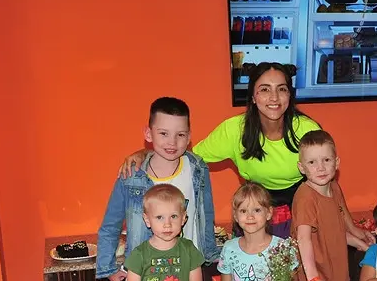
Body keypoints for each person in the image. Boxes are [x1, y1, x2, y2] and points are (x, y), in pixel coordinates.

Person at [118, 63, 320, 238]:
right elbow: (185, 154)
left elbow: (326, 179)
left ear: (290, 95)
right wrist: (146, 153)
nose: (274, 97)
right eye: (265, 89)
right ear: (253, 96)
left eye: (282, 89)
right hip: (255, 215)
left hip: (304, 214)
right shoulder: (234, 130)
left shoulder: (307, 129)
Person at [96, 97, 219, 281]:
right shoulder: (131, 176)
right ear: (148, 133)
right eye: (163, 133)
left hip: (188, 275)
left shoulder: (197, 168)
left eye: (180, 134)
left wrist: (211, 253)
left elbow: (207, 215)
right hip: (144, 278)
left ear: (189, 137)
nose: (172, 142)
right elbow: (111, 224)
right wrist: (107, 268)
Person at [291, 130, 374, 281]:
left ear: (336, 163)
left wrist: (361, 243)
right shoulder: (305, 198)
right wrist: (313, 279)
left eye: (326, 160)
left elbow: (333, 231)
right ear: (301, 167)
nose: (320, 168)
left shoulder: (334, 187)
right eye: (312, 162)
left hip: (337, 272)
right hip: (315, 277)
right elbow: (303, 238)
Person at [123, 184, 205, 281]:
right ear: (147, 220)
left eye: (173, 216)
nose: (167, 224)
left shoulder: (189, 250)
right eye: (159, 217)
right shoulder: (138, 255)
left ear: (183, 218)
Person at [218, 182, 292, 281]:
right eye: (243, 211)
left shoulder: (281, 248)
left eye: (257, 210)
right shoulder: (229, 248)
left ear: (269, 213)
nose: (250, 216)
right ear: (235, 216)